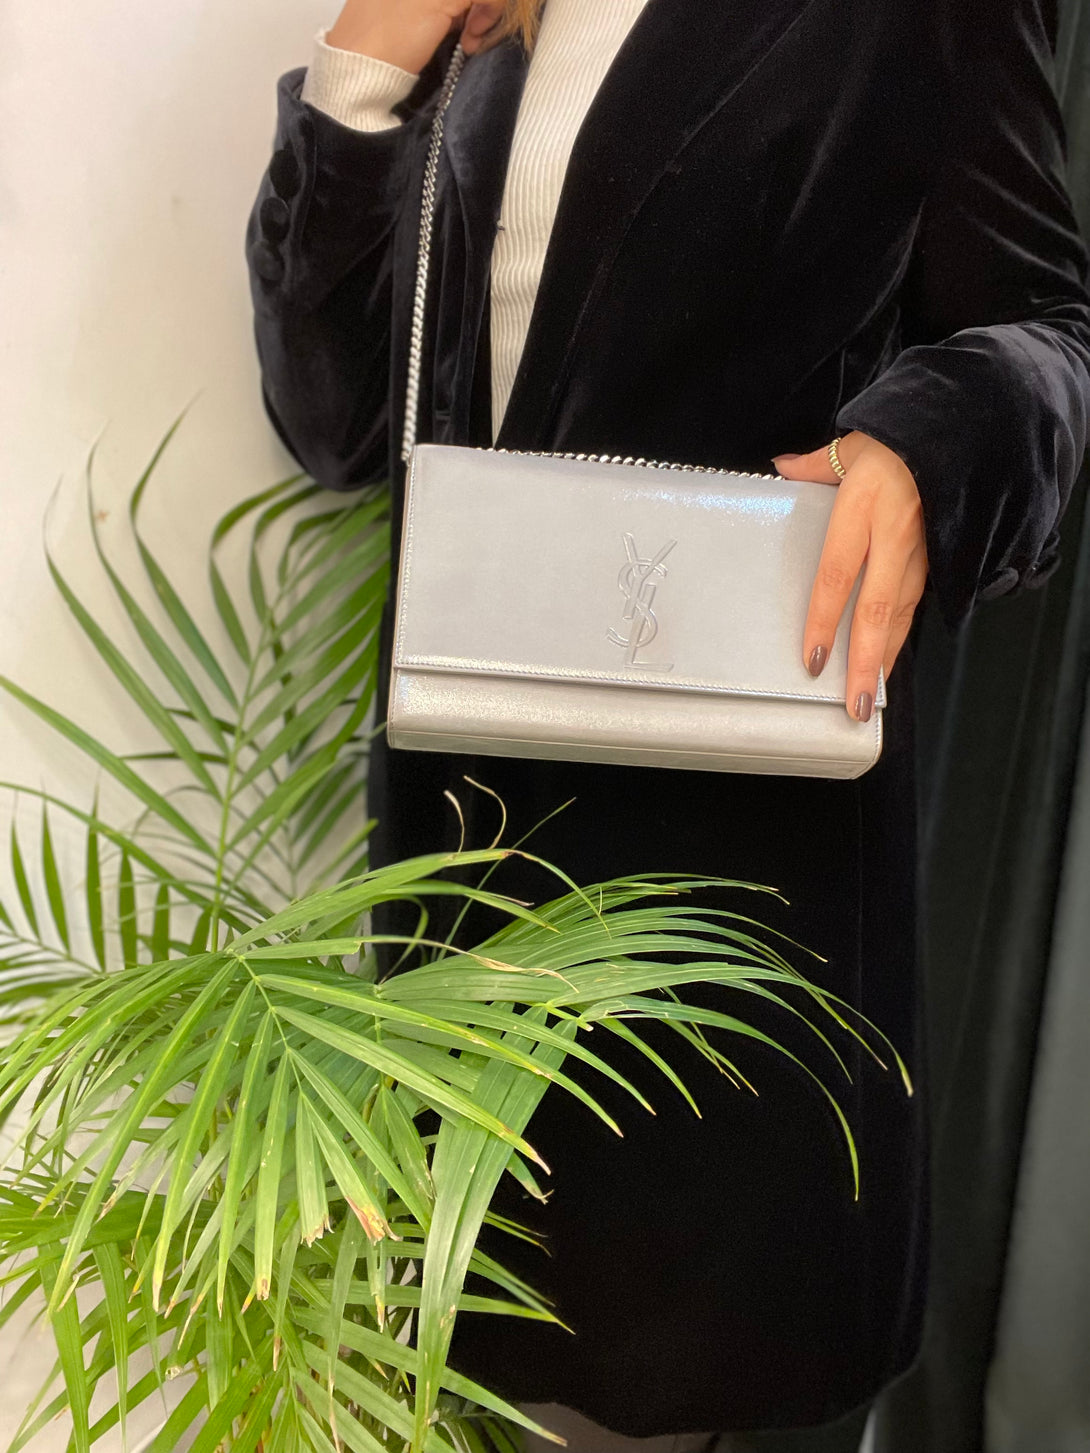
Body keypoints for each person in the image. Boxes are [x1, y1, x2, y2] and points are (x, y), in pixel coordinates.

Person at [244, 2, 1090, 1449]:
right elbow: (334, 421)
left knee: (682, 1383)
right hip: (454, 900)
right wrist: (369, 61)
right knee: (463, 1373)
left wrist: (927, 443)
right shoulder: (489, 22)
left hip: (721, 916)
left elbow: (1047, 333)